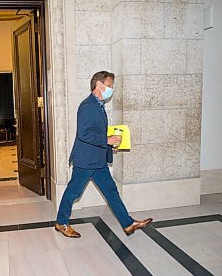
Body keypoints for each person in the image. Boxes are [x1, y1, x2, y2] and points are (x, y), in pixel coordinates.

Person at [54, 71, 152, 238]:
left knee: (111, 191)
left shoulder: (99, 105)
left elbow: (97, 132)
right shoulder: (87, 106)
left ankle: (128, 224)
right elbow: (83, 134)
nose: (111, 89)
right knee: (73, 192)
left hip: (98, 161)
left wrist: (109, 146)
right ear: (98, 85)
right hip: (86, 160)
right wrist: (107, 140)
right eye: (109, 86)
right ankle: (61, 223)